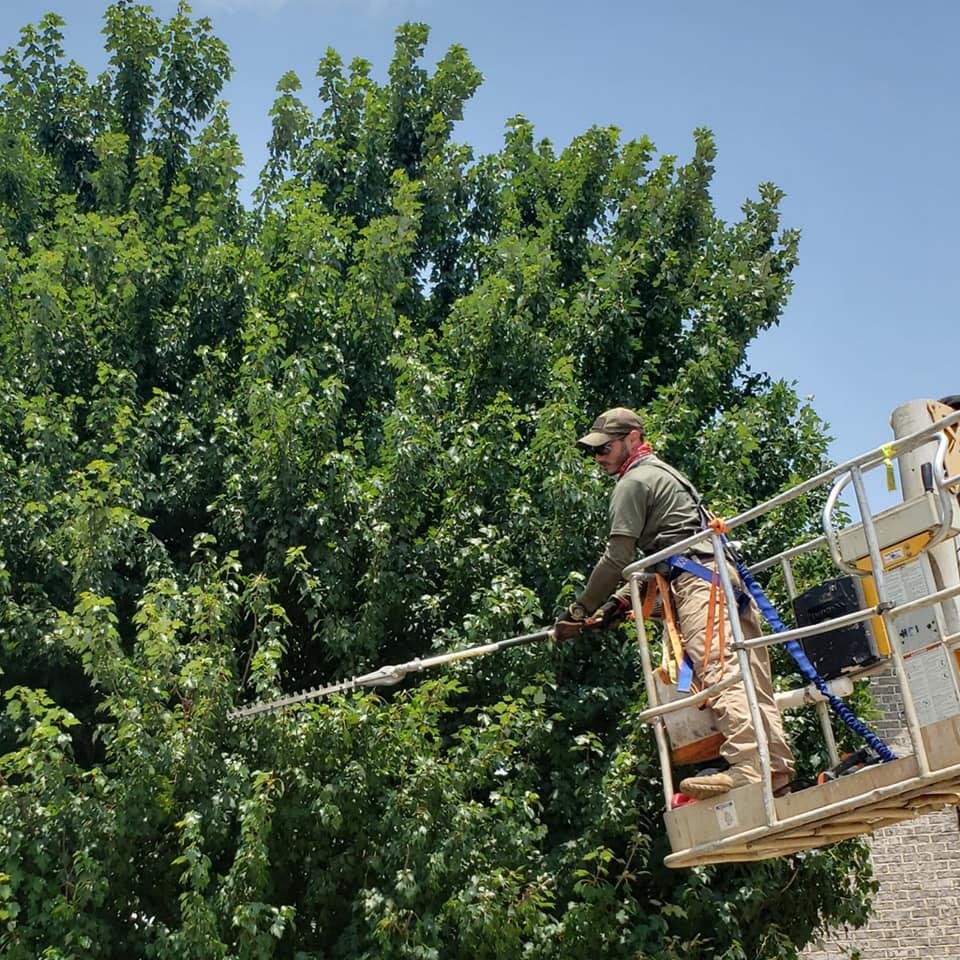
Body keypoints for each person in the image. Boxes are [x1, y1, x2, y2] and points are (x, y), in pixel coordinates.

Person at [555, 406, 794, 799]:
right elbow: (667, 550)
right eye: (594, 452)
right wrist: (616, 604)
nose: (599, 459)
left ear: (633, 438)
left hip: (700, 584)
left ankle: (750, 767)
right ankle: (776, 770)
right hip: (720, 577)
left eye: (606, 449)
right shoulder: (665, 474)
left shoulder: (633, 482)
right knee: (748, 673)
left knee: (720, 671)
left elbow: (617, 558)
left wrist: (579, 611)